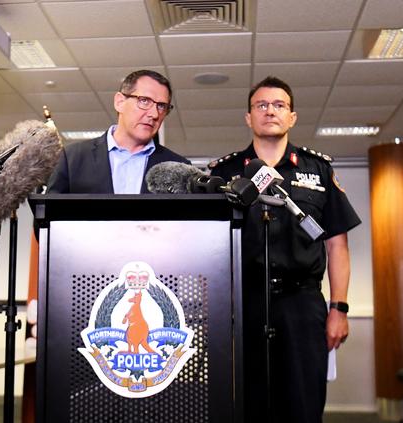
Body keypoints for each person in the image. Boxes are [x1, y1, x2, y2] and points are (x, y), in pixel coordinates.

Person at [210, 76, 361, 422]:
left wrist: (339, 308)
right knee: (243, 403)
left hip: (301, 306)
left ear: (292, 117)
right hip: (242, 305)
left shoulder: (318, 171)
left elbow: (338, 246)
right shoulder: (226, 173)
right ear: (248, 117)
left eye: (279, 105)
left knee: (302, 403)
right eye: (261, 105)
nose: (270, 111)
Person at [47, 70, 189, 194]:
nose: (154, 114)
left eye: (161, 106)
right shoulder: (72, 158)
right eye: (144, 101)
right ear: (119, 102)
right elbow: (46, 217)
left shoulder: (180, 167)